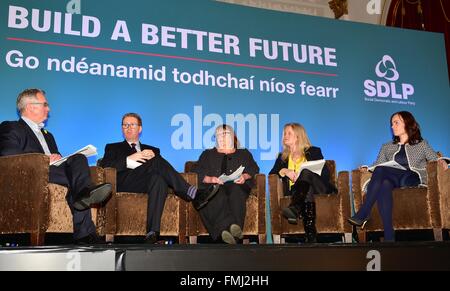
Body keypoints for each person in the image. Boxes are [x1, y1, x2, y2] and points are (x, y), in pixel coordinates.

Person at [0, 88, 112, 244]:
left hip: (54, 171)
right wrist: (45, 159)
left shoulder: (48, 135)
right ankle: (85, 230)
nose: (49, 108)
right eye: (45, 104)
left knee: (78, 159)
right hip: (32, 173)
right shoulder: (11, 127)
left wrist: (61, 159)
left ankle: (84, 195)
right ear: (31, 106)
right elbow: (9, 156)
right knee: (77, 183)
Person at [99, 113, 219, 244]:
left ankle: (153, 232)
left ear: (140, 129)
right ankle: (192, 193)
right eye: (125, 125)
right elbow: (105, 166)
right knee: (156, 162)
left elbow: (162, 170)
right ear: (122, 128)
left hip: (146, 183)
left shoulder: (153, 149)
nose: (128, 127)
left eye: (132, 125)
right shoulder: (112, 147)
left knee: (159, 180)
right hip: (125, 183)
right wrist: (130, 159)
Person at [348, 111, 448, 242]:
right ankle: (389, 235)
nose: (392, 126)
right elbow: (377, 165)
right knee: (384, 183)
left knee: (381, 171)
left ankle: (364, 212)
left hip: (412, 178)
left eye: (396, 123)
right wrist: (366, 168)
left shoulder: (421, 144)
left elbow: (434, 158)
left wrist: (441, 161)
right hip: (394, 179)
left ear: (407, 123)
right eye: (391, 124)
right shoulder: (387, 147)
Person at [269, 123, 336, 243]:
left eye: (289, 133)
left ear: (298, 136)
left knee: (305, 172)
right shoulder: (282, 157)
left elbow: (326, 174)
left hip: (319, 188)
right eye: (284, 133)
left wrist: (306, 174)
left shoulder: (314, 151)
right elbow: (271, 174)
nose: (285, 136)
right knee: (306, 188)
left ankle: (295, 206)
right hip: (299, 191)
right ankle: (310, 233)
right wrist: (284, 170)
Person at [193, 124, 259, 244]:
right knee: (217, 192)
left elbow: (254, 169)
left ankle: (224, 234)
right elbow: (197, 172)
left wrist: (244, 176)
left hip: (237, 186)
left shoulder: (244, 153)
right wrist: (211, 179)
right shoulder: (207, 154)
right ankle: (232, 231)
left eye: (225, 134)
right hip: (215, 187)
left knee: (236, 191)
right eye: (218, 135)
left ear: (233, 136)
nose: (221, 137)